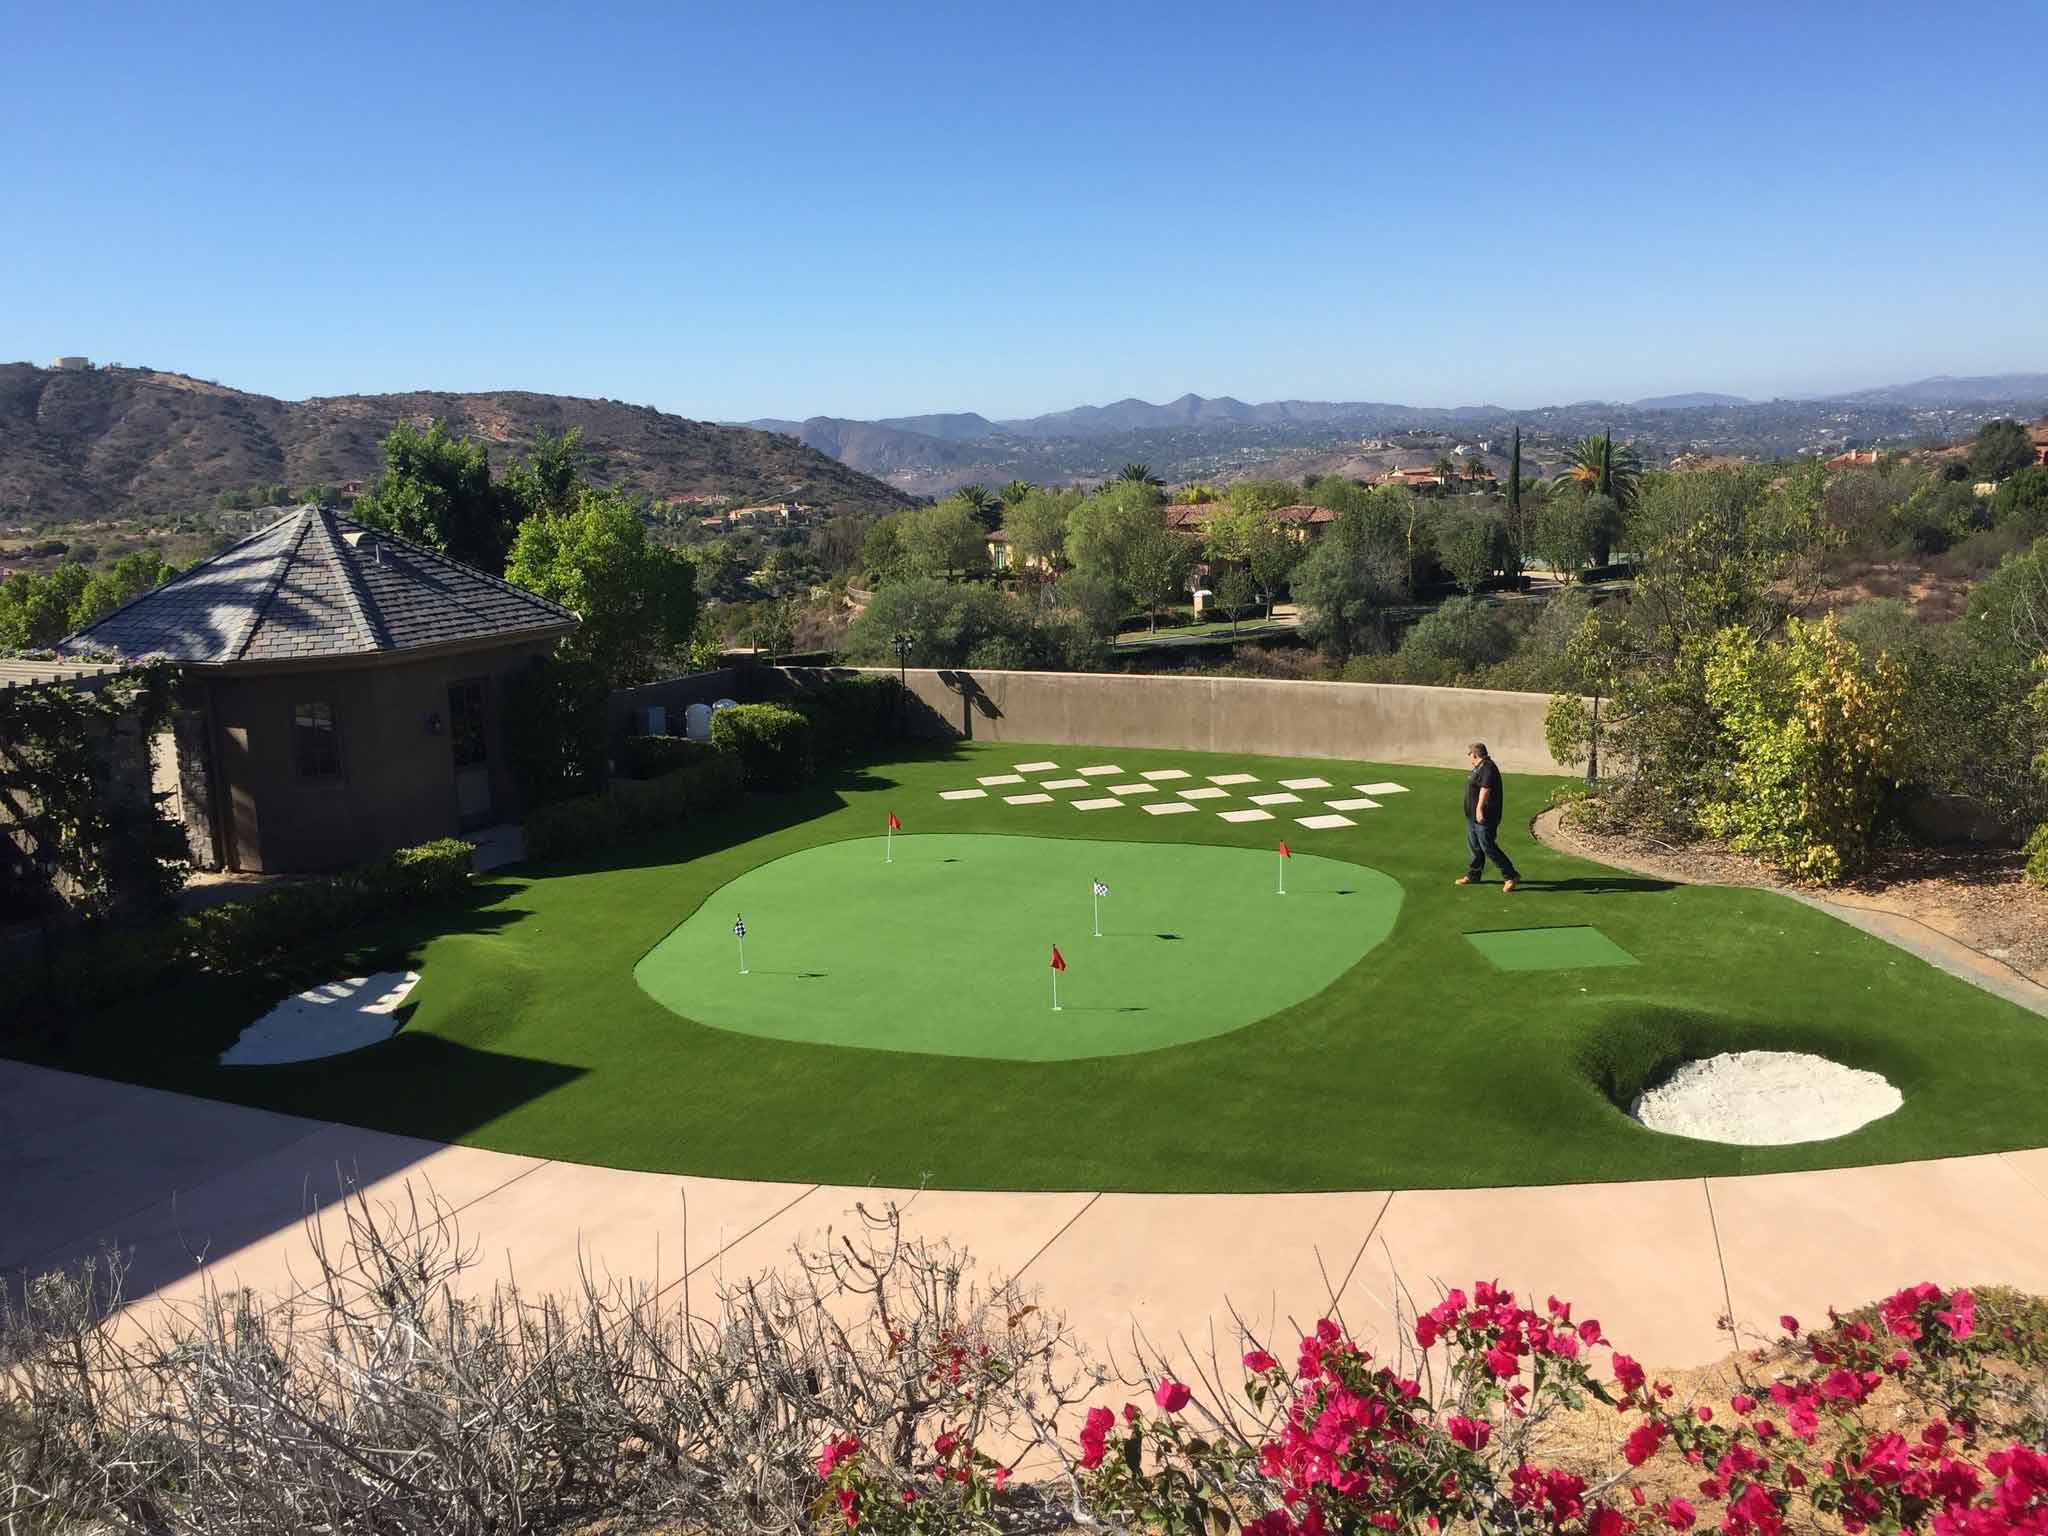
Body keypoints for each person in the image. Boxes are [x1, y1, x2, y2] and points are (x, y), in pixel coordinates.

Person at [1456, 741, 1519, 891]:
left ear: (1475, 754)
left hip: (1485, 817)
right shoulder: (1479, 767)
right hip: (1472, 818)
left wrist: (1479, 809)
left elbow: (1485, 789)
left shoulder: (1488, 767)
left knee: (1488, 846)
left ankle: (1511, 875)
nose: (1469, 757)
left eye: (1469, 754)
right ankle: (1474, 874)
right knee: (1475, 847)